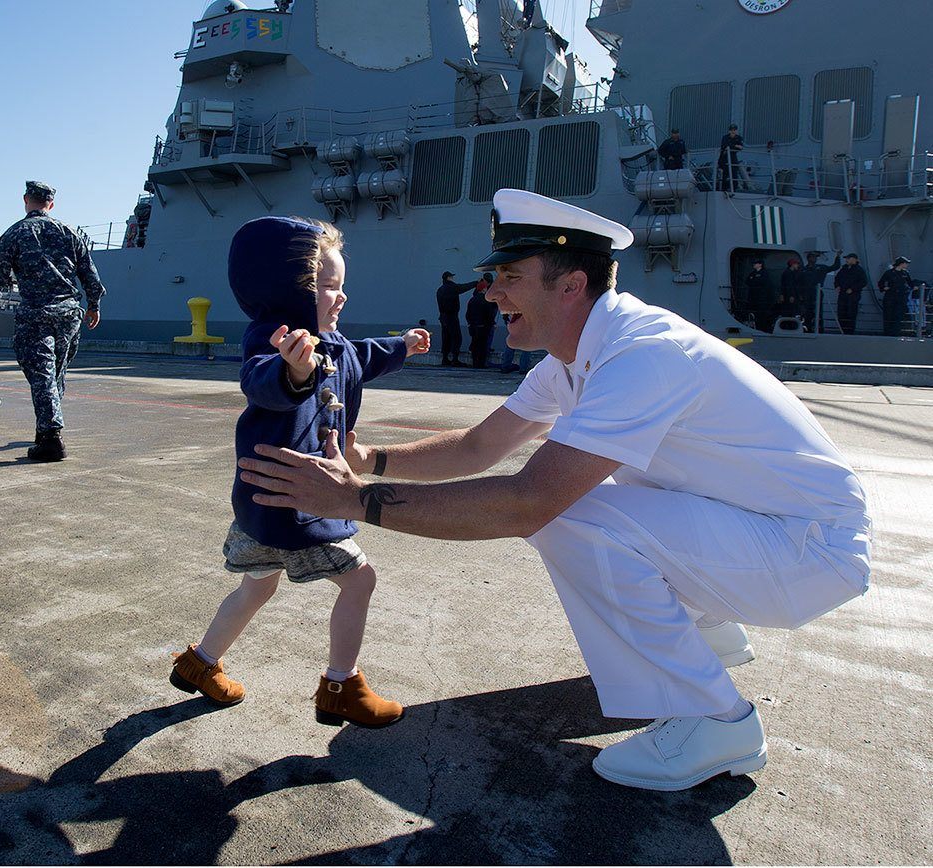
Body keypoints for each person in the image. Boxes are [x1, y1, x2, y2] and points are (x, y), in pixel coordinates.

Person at [237, 189, 871, 791]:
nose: (488, 292)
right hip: (760, 533)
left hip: (808, 551)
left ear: (571, 286)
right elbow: (477, 449)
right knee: (588, 510)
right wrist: (369, 459)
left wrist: (351, 502)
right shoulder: (575, 357)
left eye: (508, 277)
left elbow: (528, 502)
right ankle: (706, 638)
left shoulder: (642, 354)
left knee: (570, 517)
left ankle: (713, 719)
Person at [169, 215, 431, 729]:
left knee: (257, 586)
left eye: (341, 286)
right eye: (329, 287)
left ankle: (199, 663)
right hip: (301, 501)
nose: (341, 297)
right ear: (288, 291)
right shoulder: (279, 340)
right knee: (360, 582)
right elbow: (260, 379)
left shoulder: (333, 342)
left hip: (262, 507)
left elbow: (361, 357)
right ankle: (341, 686)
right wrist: (294, 371)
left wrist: (402, 345)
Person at [0, 181, 108, 461]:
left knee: (42, 375)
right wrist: (94, 304)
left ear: (26, 200)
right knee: (55, 373)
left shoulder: (15, 233)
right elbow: (89, 273)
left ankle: (50, 437)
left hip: (36, 314)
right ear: (51, 204)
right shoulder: (69, 232)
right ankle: (45, 430)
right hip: (68, 315)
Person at [436, 271, 478, 366]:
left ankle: (445, 358)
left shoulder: (440, 290)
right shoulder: (452, 287)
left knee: (445, 337)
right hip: (452, 316)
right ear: (448, 278)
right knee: (456, 337)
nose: (453, 278)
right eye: (451, 277)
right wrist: (476, 283)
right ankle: (455, 359)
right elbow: (463, 287)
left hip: (443, 317)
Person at [800, 251, 841, 332]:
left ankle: (819, 329)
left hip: (817, 293)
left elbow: (835, 267)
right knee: (807, 313)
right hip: (806, 294)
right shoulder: (803, 269)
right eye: (813, 257)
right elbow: (799, 282)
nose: (814, 259)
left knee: (818, 312)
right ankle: (807, 329)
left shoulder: (821, 268)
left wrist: (838, 257)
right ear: (808, 258)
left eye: (815, 257)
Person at [465, 274, 498, 368]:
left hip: (473, 326)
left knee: (475, 345)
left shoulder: (472, 300)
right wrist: (492, 323)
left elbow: (467, 314)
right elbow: (489, 314)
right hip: (483, 327)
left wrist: (470, 323)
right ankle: (481, 363)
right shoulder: (486, 301)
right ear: (484, 289)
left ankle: (475, 363)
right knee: (482, 346)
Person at [877, 257, 915, 337]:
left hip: (901, 298)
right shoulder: (889, 273)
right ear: (901, 264)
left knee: (898, 316)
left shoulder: (905, 273)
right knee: (888, 315)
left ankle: (896, 333)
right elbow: (881, 282)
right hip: (890, 297)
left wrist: (913, 288)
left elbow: (910, 283)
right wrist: (884, 288)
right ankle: (887, 333)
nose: (907, 265)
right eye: (906, 263)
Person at [833, 253, 867, 334]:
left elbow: (863, 282)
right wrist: (837, 286)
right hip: (843, 294)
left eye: (848, 258)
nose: (846, 260)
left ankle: (849, 332)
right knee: (841, 313)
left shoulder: (859, 270)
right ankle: (843, 331)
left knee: (850, 314)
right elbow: (837, 278)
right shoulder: (844, 269)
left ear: (854, 259)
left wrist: (853, 289)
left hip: (853, 296)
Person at [717, 124, 750, 192]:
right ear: (729, 131)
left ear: (736, 130)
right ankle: (724, 189)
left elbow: (740, 147)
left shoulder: (738, 138)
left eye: (734, 130)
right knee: (725, 175)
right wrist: (735, 145)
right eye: (731, 130)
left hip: (733, 157)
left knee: (734, 174)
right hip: (724, 158)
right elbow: (725, 146)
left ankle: (734, 189)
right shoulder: (725, 137)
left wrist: (732, 146)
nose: (733, 131)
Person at [744, 259, 774, 332]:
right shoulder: (752, 273)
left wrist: (755, 282)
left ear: (760, 264)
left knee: (762, 314)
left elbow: (764, 283)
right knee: (755, 313)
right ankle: (756, 326)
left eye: (755, 263)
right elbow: (748, 281)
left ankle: (763, 327)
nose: (754, 264)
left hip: (762, 297)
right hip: (753, 296)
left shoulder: (764, 273)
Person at [778, 257, 807, 323]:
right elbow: (789, 285)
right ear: (792, 264)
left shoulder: (790, 273)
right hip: (789, 297)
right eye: (796, 264)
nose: (798, 266)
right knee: (790, 312)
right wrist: (791, 295)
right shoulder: (788, 273)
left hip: (789, 296)